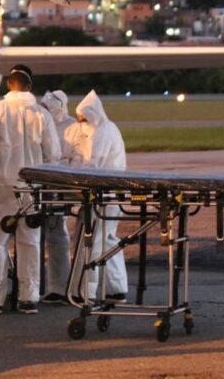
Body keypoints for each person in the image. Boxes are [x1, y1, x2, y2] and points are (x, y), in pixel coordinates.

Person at [0, 65, 60, 315]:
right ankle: (28, 297)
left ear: (8, 85)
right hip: (31, 188)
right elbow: (53, 153)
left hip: (3, 184)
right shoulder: (41, 114)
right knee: (30, 242)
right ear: (30, 86)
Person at [71, 90, 128, 303]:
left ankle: (86, 292)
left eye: (84, 119)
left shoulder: (103, 132)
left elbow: (94, 166)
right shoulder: (109, 128)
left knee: (93, 243)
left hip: (104, 196)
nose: (83, 123)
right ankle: (116, 287)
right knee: (108, 241)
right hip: (112, 195)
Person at [39, 90, 79, 304]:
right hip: (41, 183)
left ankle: (61, 287)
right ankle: (39, 287)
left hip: (59, 185)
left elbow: (73, 156)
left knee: (56, 236)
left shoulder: (72, 126)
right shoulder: (41, 120)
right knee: (35, 237)